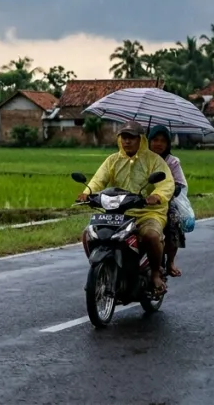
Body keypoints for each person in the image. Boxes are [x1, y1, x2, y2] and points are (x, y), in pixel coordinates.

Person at [76, 121, 175, 297]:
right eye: (124, 137)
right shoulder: (113, 160)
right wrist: (87, 193)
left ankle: (154, 273)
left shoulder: (154, 160)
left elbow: (166, 183)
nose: (127, 141)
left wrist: (157, 196)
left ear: (141, 140)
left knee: (151, 236)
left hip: (148, 212)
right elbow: (98, 179)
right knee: (88, 234)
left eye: (132, 138)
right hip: (118, 212)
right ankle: (101, 270)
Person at [148, 124, 188, 278]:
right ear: (148, 141)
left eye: (163, 141)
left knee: (173, 222)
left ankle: (170, 262)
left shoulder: (172, 162)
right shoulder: (141, 158)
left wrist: (169, 190)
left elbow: (179, 183)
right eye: (155, 140)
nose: (158, 144)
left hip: (164, 201)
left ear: (168, 144)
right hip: (139, 200)